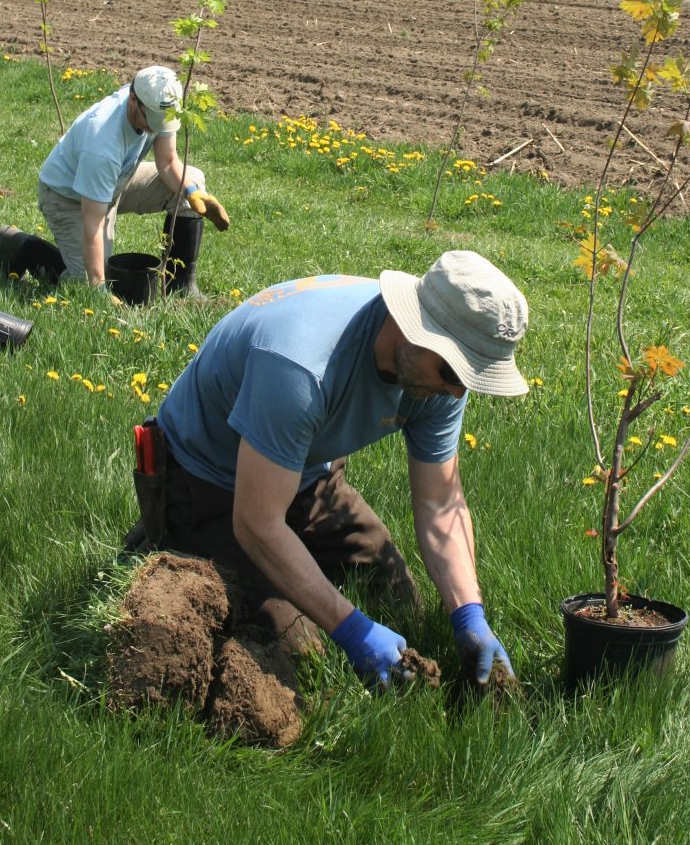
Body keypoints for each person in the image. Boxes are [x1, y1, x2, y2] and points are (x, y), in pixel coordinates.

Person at [135, 249, 529, 688]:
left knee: (400, 606)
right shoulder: (302, 364)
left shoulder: (439, 378)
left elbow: (440, 504)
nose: (456, 394)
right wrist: (353, 630)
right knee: (301, 653)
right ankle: (165, 541)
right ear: (414, 328)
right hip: (207, 482)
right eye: (453, 372)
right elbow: (257, 522)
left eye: (470, 379)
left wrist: (469, 614)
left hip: (304, 472)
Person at [0, 65, 229, 297]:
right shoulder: (102, 143)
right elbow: (92, 223)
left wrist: (190, 192)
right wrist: (98, 290)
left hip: (118, 180)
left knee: (194, 179)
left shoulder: (159, 103)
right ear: (133, 100)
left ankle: (180, 289)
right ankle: (20, 247)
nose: (156, 127)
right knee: (85, 281)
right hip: (69, 198)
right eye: (153, 120)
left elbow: (167, 162)